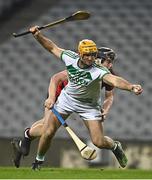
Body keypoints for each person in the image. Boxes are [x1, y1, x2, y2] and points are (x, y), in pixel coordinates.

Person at [27, 26, 142, 170]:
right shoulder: (70, 58)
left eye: (93, 54)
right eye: (87, 55)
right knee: (48, 131)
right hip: (67, 100)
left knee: (99, 142)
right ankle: (38, 161)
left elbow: (115, 80)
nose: (90, 58)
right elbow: (51, 47)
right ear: (80, 54)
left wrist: (131, 87)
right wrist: (37, 35)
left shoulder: (99, 70)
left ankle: (115, 146)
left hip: (89, 106)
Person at [12, 47, 116, 168]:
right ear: (99, 60)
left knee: (47, 125)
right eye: (108, 61)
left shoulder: (109, 74)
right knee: (48, 128)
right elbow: (57, 78)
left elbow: (109, 96)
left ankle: (26, 137)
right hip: (60, 93)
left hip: (80, 101)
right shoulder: (86, 67)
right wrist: (51, 97)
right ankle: (27, 136)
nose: (110, 64)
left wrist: (106, 109)